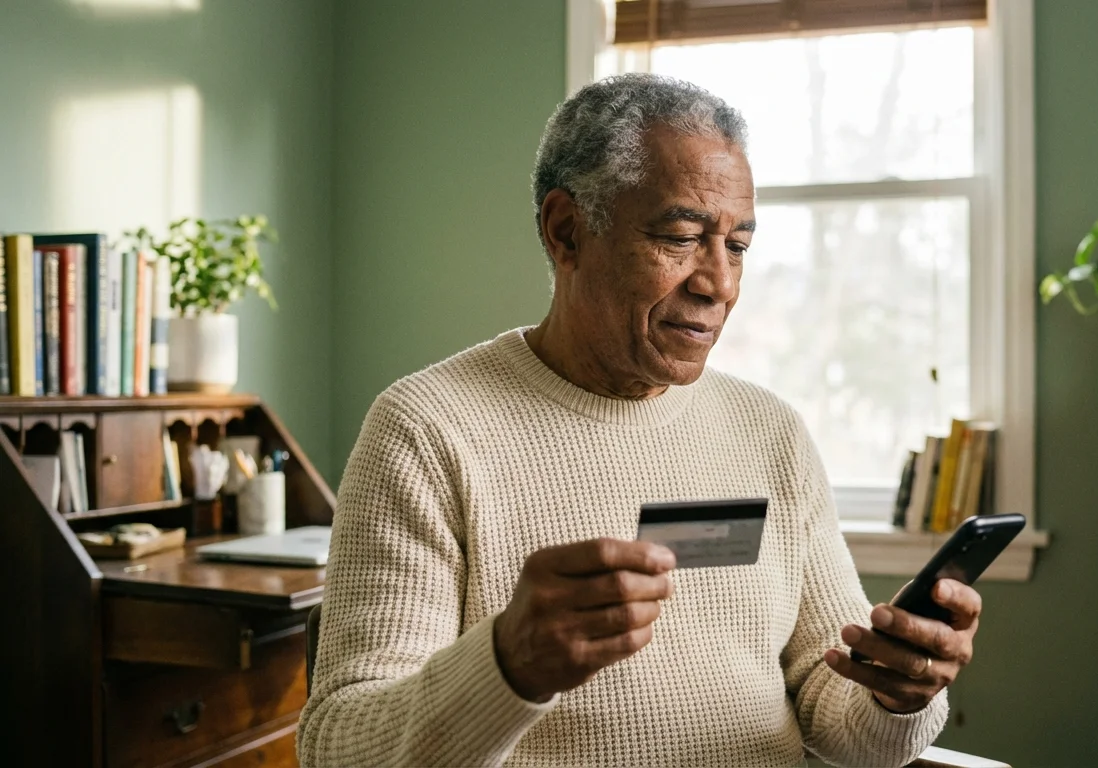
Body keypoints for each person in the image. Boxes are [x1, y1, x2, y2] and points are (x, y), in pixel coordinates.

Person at [296, 73, 983, 768]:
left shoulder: (770, 431)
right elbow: (340, 749)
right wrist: (508, 666)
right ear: (566, 232)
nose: (718, 283)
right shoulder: (425, 431)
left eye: (737, 245)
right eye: (681, 236)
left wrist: (897, 694)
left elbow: (833, 712)